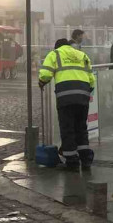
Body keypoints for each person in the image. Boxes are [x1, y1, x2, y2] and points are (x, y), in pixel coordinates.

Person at [39, 38, 96, 170]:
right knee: (81, 128)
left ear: (57, 46)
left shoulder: (55, 54)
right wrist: (85, 92)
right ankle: (86, 160)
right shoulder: (81, 55)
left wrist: (41, 82)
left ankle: (72, 162)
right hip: (83, 96)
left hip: (65, 97)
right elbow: (91, 80)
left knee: (67, 129)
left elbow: (45, 74)